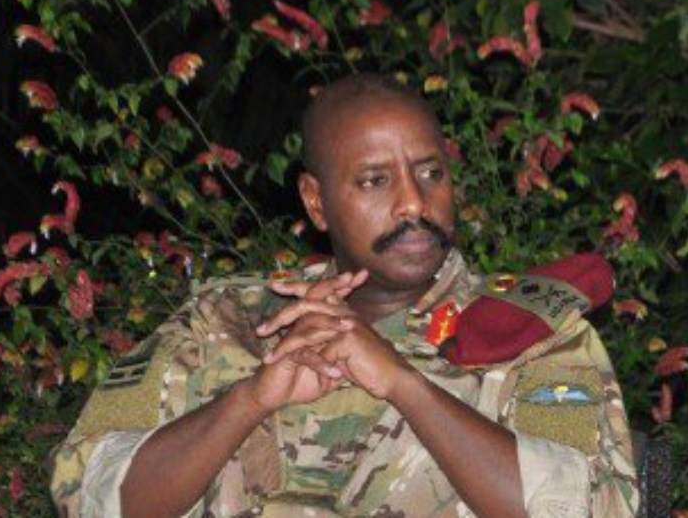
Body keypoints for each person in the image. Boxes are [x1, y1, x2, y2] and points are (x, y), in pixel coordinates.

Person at [50, 74, 639, 517]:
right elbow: (92, 496)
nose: (413, 203)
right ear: (315, 201)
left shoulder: (529, 330)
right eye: (376, 180)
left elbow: (594, 508)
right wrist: (249, 400)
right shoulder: (221, 322)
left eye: (430, 173)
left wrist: (405, 384)